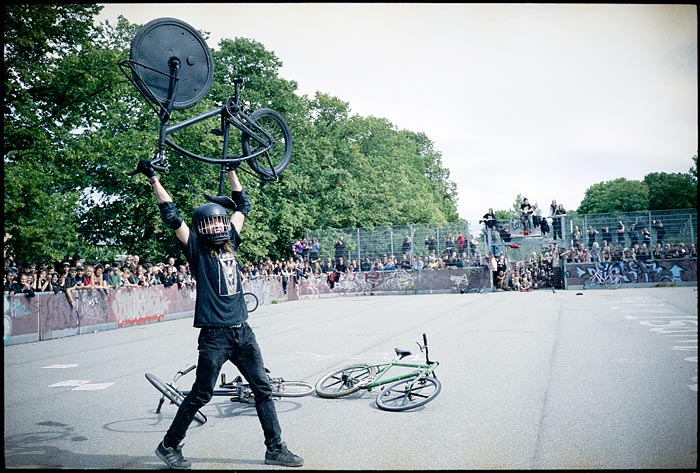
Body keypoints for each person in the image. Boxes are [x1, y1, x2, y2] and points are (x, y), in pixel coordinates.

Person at [134, 158, 303, 469]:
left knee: (263, 389)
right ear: (202, 229)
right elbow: (172, 216)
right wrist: (154, 178)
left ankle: (275, 448)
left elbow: (242, 205)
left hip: (243, 331)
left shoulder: (231, 243)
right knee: (201, 394)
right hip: (215, 334)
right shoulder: (196, 249)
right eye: (210, 224)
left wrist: (231, 170)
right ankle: (168, 445)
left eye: (218, 222)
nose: (216, 227)